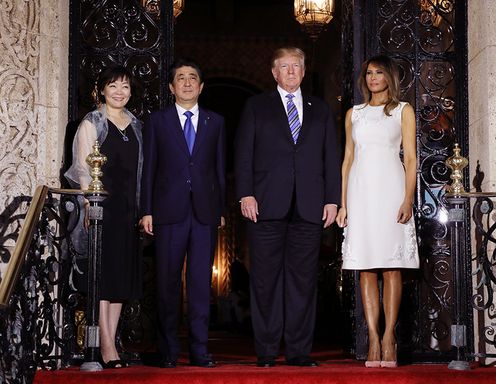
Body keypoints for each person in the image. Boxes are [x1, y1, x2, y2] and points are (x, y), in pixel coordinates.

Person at [235, 47, 341, 368]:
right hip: (265, 205)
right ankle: (266, 351)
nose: (291, 71)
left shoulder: (320, 110)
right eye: (285, 66)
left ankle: (298, 351)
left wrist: (333, 199)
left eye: (297, 66)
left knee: (302, 282)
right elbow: (243, 154)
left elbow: (331, 158)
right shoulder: (256, 106)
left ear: (304, 72)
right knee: (265, 282)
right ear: (274, 73)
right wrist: (245, 194)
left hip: (309, 207)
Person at [140, 58, 225, 368]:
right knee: (167, 282)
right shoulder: (157, 121)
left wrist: (221, 210)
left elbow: (219, 169)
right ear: (171, 87)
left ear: (201, 87)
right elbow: (148, 169)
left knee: (201, 282)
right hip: (168, 211)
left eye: (193, 78)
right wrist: (146, 209)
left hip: (204, 213)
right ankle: (168, 351)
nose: (187, 83)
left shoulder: (215, 122)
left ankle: (200, 350)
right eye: (181, 78)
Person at [336, 55, 420, 368]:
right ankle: (372, 336)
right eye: (369, 73)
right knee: (366, 267)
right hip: (360, 193)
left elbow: (410, 159)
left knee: (391, 265)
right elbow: (347, 160)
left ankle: (389, 337)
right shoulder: (353, 113)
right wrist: (343, 203)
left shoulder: (403, 110)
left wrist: (408, 199)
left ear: (390, 77)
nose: (373, 78)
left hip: (391, 190)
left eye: (379, 72)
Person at [65, 65, 143, 368]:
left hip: (127, 211)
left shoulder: (136, 125)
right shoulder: (92, 123)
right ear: (101, 90)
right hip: (101, 209)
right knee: (104, 275)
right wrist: (88, 206)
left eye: (125, 86)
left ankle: (112, 339)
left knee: (122, 276)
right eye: (113, 86)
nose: (120, 92)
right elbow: (82, 170)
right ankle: (106, 346)